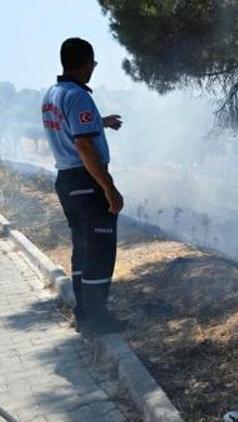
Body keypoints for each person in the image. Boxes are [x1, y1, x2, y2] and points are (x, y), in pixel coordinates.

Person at [41, 38, 127, 335]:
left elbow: (71, 128)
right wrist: (109, 188)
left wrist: (101, 122)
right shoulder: (78, 96)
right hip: (85, 181)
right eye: (93, 64)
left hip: (67, 182)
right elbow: (84, 146)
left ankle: (84, 314)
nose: (93, 69)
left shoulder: (53, 93)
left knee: (83, 247)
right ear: (87, 63)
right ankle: (97, 319)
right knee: (100, 250)